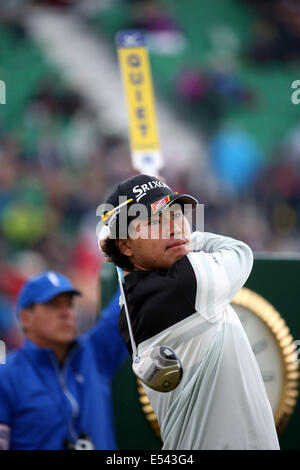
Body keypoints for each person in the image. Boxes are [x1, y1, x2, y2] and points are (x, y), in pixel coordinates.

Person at [99, 173, 280, 450]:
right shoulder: (191, 281)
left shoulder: (133, 300)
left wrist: (152, 240)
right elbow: (241, 252)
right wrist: (187, 238)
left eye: (176, 215)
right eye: (155, 221)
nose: (174, 228)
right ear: (126, 245)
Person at [0, 270, 128, 450]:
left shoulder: (94, 353)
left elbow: (129, 297)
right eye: (53, 305)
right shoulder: (6, 376)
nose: (66, 312)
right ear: (25, 317)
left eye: (69, 304)